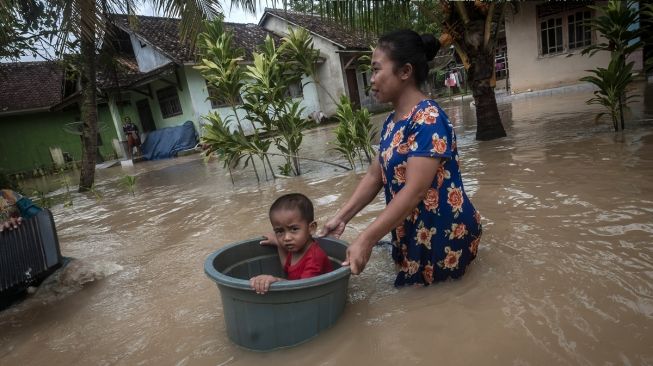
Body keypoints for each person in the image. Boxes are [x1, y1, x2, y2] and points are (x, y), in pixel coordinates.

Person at [320, 29, 482, 287]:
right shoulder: (392, 122)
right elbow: (376, 175)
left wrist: (366, 239)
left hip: (442, 236)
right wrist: (342, 218)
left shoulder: (428, 119)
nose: (371, 80)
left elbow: (415, 191)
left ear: (405, 72)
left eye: (376, 70)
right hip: (409, 230)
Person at [249, 193, 333, 294]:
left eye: (294, 229)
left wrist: (275, 280)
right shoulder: (295, 247)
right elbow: (287, 267)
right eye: (280, 231)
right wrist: (278, 243)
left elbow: (303, 289)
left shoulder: (314, 258)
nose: (286, 238)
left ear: (311, 228)